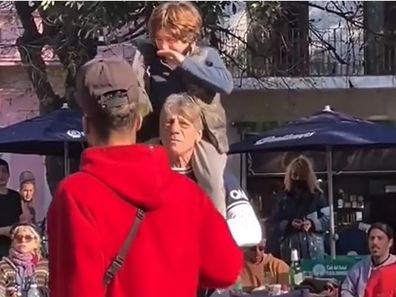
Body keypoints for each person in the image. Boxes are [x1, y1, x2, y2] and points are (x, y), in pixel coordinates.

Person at [47, 57, 243, 297]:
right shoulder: (186, 192)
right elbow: (226, 269)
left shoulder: (76, 195)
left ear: (86, 125)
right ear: (138, 121)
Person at [133, 2, 233, 217]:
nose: (164, 46)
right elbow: (135, 89)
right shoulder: (151, 61)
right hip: (163, 136)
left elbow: (226, 84)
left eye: (171, 40)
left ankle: (217, 232)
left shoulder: (206, 56)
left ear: (189, 38)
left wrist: (184, 62)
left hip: (202, 138)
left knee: (212, 181)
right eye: (159, 39)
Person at [159, 93, 262, 247]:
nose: (174, 129)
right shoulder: (146, 172)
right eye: (168, 122)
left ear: (198, 134)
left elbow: (251, 231)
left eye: (184, 124)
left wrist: (194, 231)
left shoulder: (217, 174)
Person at [272, 155, 330, 263]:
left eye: (301, 177)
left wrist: (312, 224)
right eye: (295, 176)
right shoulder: (283, 198)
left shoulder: (318, 196)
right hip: (290, 248)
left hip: (314, 247)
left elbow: (329, 219)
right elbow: (274, 223)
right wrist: (289, 224)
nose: (298, 181)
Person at [341, 223, 396, 297]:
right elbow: (346, 290)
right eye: (372, 238)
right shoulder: (359, 268)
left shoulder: (394, 266)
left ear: (390, 242)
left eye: (380, 238)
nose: (375, 242)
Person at [0, 223, 48, 297]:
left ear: (36, 243)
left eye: (28, 238)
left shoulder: (46, 266)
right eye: (19, 237)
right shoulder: (3, 266)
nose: (23, 240)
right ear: (13, 242)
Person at [0, 159, 22, 259]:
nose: (1, 175)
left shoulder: (15, 196)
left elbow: (19, 219)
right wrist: (3, 231)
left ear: (9, 175)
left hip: (13, 247)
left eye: (4, 171)